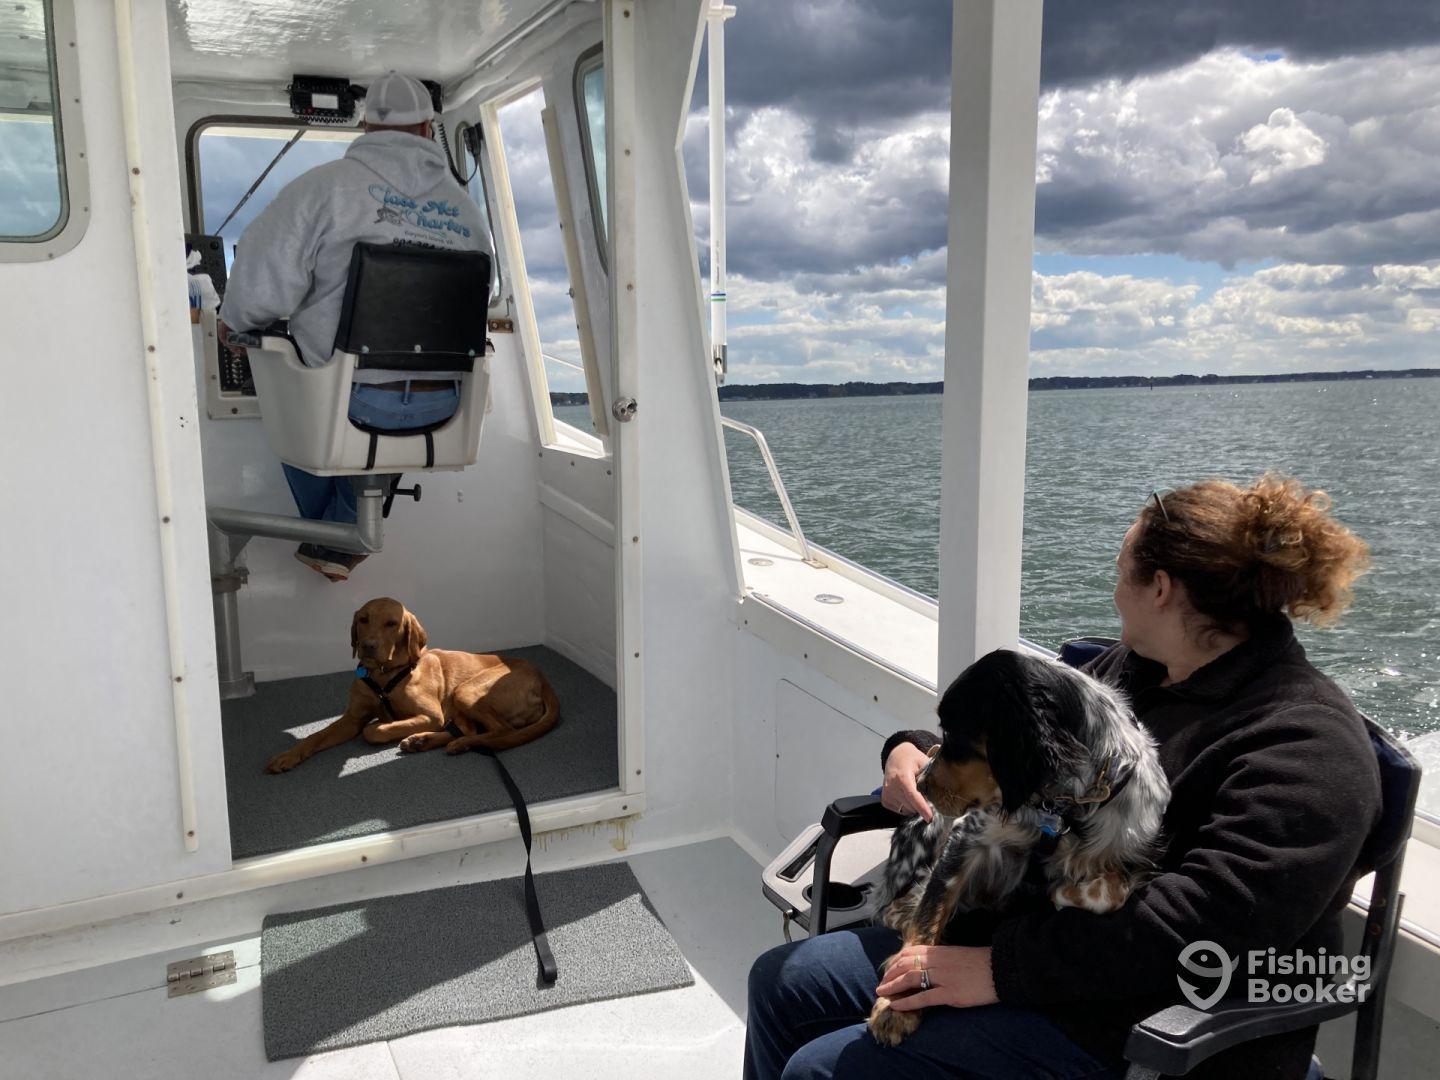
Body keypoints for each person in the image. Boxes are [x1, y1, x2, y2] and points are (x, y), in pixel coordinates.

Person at [745, 473, 1380, 1079]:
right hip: (1033, 942)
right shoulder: (1134, 671)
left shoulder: (1304, 746)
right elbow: (1022, 752)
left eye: (1120, 571)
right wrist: (915, 751)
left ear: (1160, 589)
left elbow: (1201, 925)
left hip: (1143, 1022)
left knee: (824, 1070)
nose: (1114, 590)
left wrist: (998, 970)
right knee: (782, 985)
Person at [219, 71, 492, 582]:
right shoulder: (467, 212)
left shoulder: (323, 189)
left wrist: (233, 322)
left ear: (366, 128)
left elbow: (259, 286)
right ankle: (340, 538)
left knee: (288, 378)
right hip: (444, 407)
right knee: (382, 401)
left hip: (350, 403)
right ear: (427, 130)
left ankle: (336, 537)